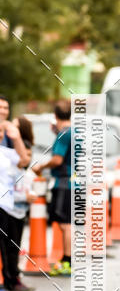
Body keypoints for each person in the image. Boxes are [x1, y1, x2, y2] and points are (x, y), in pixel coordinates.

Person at [31, 101, 72, 275]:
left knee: (65, 224)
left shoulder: (64, 134)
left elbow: (57, 160)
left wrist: (40, 167)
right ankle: (65, 260)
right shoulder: (73, 132)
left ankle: (67, 262)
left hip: (64, 182)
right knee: (66, 223)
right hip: (73, 181)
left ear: (55, 116)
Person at [0, 117, 35, 291]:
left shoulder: (6, 152)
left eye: (1, 132)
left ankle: (12, 280)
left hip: (9, 206)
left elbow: (24, 160)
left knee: (12, 246)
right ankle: (8, 280)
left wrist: (16, 136)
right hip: (5, 206)